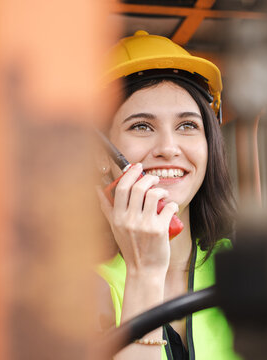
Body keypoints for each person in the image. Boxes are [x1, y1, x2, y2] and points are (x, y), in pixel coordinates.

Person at [95, 30, 240, 359]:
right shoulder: (73, 290)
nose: (168, 149)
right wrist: (144, 273)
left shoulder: (247, 267)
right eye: (141, 126)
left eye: (187, 125)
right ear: (101, 155)